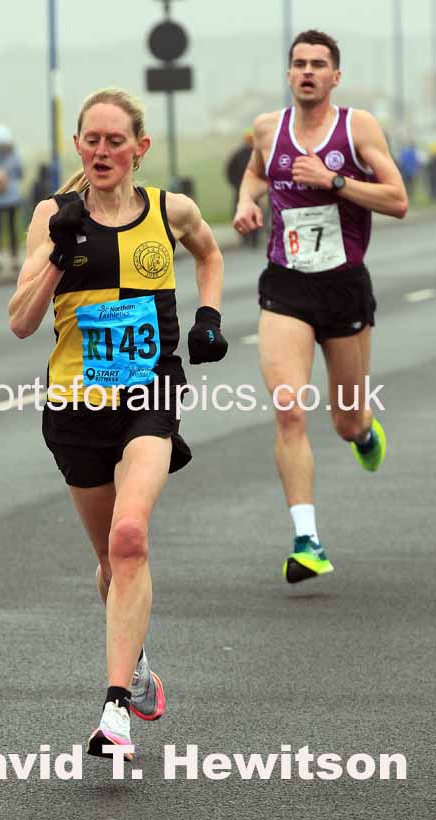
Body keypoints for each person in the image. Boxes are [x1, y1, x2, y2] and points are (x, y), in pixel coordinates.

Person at [8, 88, 227, 757]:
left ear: (139, 147)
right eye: (90, 140)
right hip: (74, 407)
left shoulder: (170, 210)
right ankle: (132, 666)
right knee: (109, 560)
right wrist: (57, 251)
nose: (101, 152)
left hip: (149, 396)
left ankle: (112, 713)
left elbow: (209, 255)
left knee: (131, 537)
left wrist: (207, 316)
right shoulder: (52, 214)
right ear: (78, 145)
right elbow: (20, 321)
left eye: (114, 140)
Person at [233, 30, 408, 584]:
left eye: (319, 65)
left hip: (343, 287)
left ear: (336, 76)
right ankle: (307, 539)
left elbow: (398, 199)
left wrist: (334, 179)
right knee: (289, 409)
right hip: (286, 285)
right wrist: (245, 201)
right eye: (299, 64)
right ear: (289, 75)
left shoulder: (357, 129)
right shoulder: (269, 129)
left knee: (345, 418)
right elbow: (259, 170)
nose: (307, 72)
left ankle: (362, 432)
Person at [0, 125, 23, 273]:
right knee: (12, 228)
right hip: (12, 196)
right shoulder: (14, 154)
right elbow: (20, 172)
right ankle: (14, 258)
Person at [226, 131, 259, 247]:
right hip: (239, 190)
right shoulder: (238, 155)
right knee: (239, 213)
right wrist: (236, 184)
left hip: (254, 191)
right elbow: (229, 171)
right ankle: (245, 236)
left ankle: (255, 237)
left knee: (255, 213)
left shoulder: (257, 154)